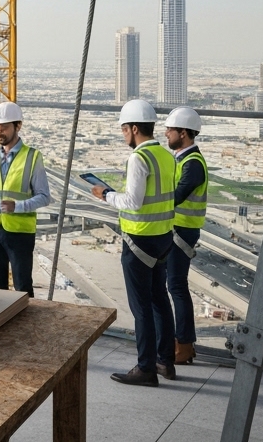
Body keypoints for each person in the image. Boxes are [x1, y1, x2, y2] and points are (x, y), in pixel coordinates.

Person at [90, 99, 177, 386]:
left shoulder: (139, 158)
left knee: (141, 309)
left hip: (139, 240)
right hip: (163, 237)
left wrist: (105, 194)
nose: (123, 135)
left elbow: (133, 203)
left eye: (124, 129)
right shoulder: (166, 156)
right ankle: (165, 361)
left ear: (134, 128)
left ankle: (145, 368)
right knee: (160, 301)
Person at [0, 101, 50, 296]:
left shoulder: (33, 157)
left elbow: (44, 197)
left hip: (19, 233)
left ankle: (27, 326)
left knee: (22, 288)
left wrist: (17, 206)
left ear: (18, 126)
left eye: (3, 128)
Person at [163, 106, 207, 365]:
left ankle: (184, 345)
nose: (166, 134)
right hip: (177, 229)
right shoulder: (183, 160)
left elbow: (176, 197)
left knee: (177, 287)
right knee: (174, 286)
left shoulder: (192, 164)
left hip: (182, 231)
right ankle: (180, 343)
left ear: (184, 133)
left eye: (171, 130)